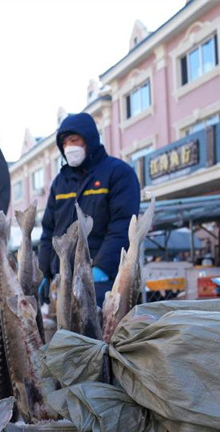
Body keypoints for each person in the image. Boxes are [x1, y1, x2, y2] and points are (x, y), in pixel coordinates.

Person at [38, 112, 141, 306]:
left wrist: (101, 268)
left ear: (89, 140)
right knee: (63, 334)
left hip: (103, 282)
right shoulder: (60, 182)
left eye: (74, 140)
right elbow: (48, 231)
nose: (69, 147)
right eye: (65, 143)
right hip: (62, 281)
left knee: (101, 333)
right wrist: (44, 272)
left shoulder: (118, 173)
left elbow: (123, 225)